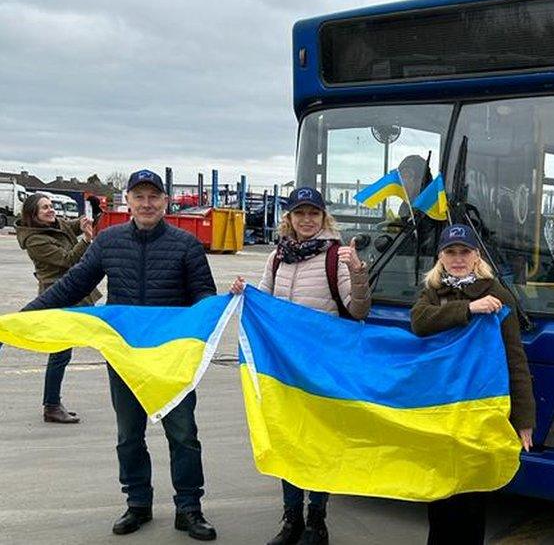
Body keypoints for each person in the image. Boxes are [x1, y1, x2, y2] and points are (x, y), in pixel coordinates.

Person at [23, 169, 218, 541]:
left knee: (184, 435)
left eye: (153, 197)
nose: (146, 204)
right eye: (139, 196)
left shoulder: (186, 244)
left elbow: (203, 296)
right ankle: (138, 504)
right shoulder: (108, 242)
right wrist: (21, 319)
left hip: (170, 360)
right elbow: (71, 286)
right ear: (127, 200)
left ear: (165, 201)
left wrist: (213, 310)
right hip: (124, 358)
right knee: (129, 435)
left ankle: (189, 509)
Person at [230, 186, 370, 545]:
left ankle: (316, 520)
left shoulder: (335, 255)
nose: (306, 220)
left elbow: (358, 310)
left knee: (318, 442)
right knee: (289, 440)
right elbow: (262, 300)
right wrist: (241, 291)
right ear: (288, 218)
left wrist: (357, 273)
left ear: (324, 217)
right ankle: (291, 518)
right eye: (299, 213)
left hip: (321, 367)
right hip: (284, 368)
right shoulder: (276, 257)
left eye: (313, 213)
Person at [410, 224, 535, 545]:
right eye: (450, 252)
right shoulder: (432, 292)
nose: (457, 259)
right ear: (441, 257)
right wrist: (467, 309)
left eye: (464, 252)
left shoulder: (497, 293)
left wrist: (524, 420)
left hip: (478, 409)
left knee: (471, 500)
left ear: (476, 255)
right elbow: (419, 322)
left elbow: (515, 359)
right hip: (441, 408)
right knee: (439, 497)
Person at [15, 193, 101, 424]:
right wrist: (86, 240)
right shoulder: (36, 241)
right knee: (60, 352)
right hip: (58, 297)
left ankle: (52, 404)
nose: (51, 210)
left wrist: (88, 218)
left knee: (62, 352)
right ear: (34, 215)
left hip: (72, 294)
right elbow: (67, 260)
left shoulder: (55, 225)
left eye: (51, 206)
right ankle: (51, 405)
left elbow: (71, 226)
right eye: (45, 208)